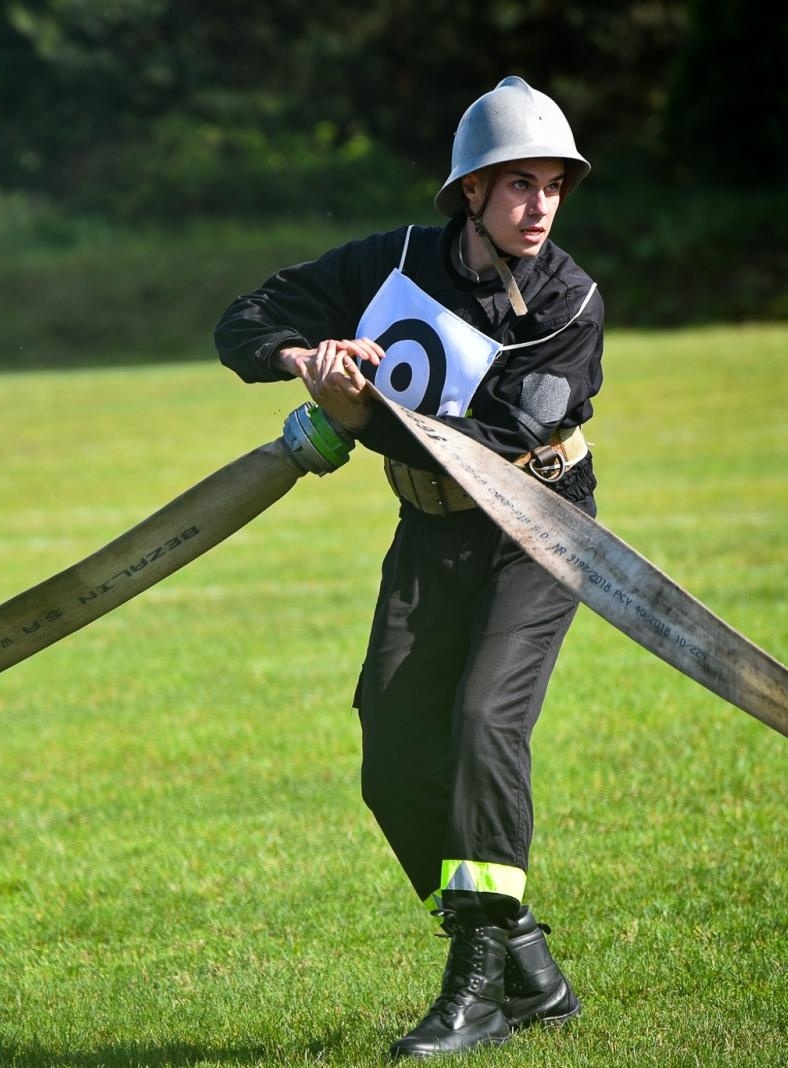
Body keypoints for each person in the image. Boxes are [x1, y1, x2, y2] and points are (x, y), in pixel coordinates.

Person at [215, 76, 604, 1058]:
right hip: (429, 535)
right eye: (517, 185)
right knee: (391, 756)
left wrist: (362, 403)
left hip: (536, 530)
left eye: (553, 187)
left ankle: (477, 988)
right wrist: (307, 358)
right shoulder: (390, 260)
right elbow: (244, 320)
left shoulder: (568, 300)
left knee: (483, 722)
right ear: (468, 193)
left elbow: (501, 428)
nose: (539, 207)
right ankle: (521, 955)